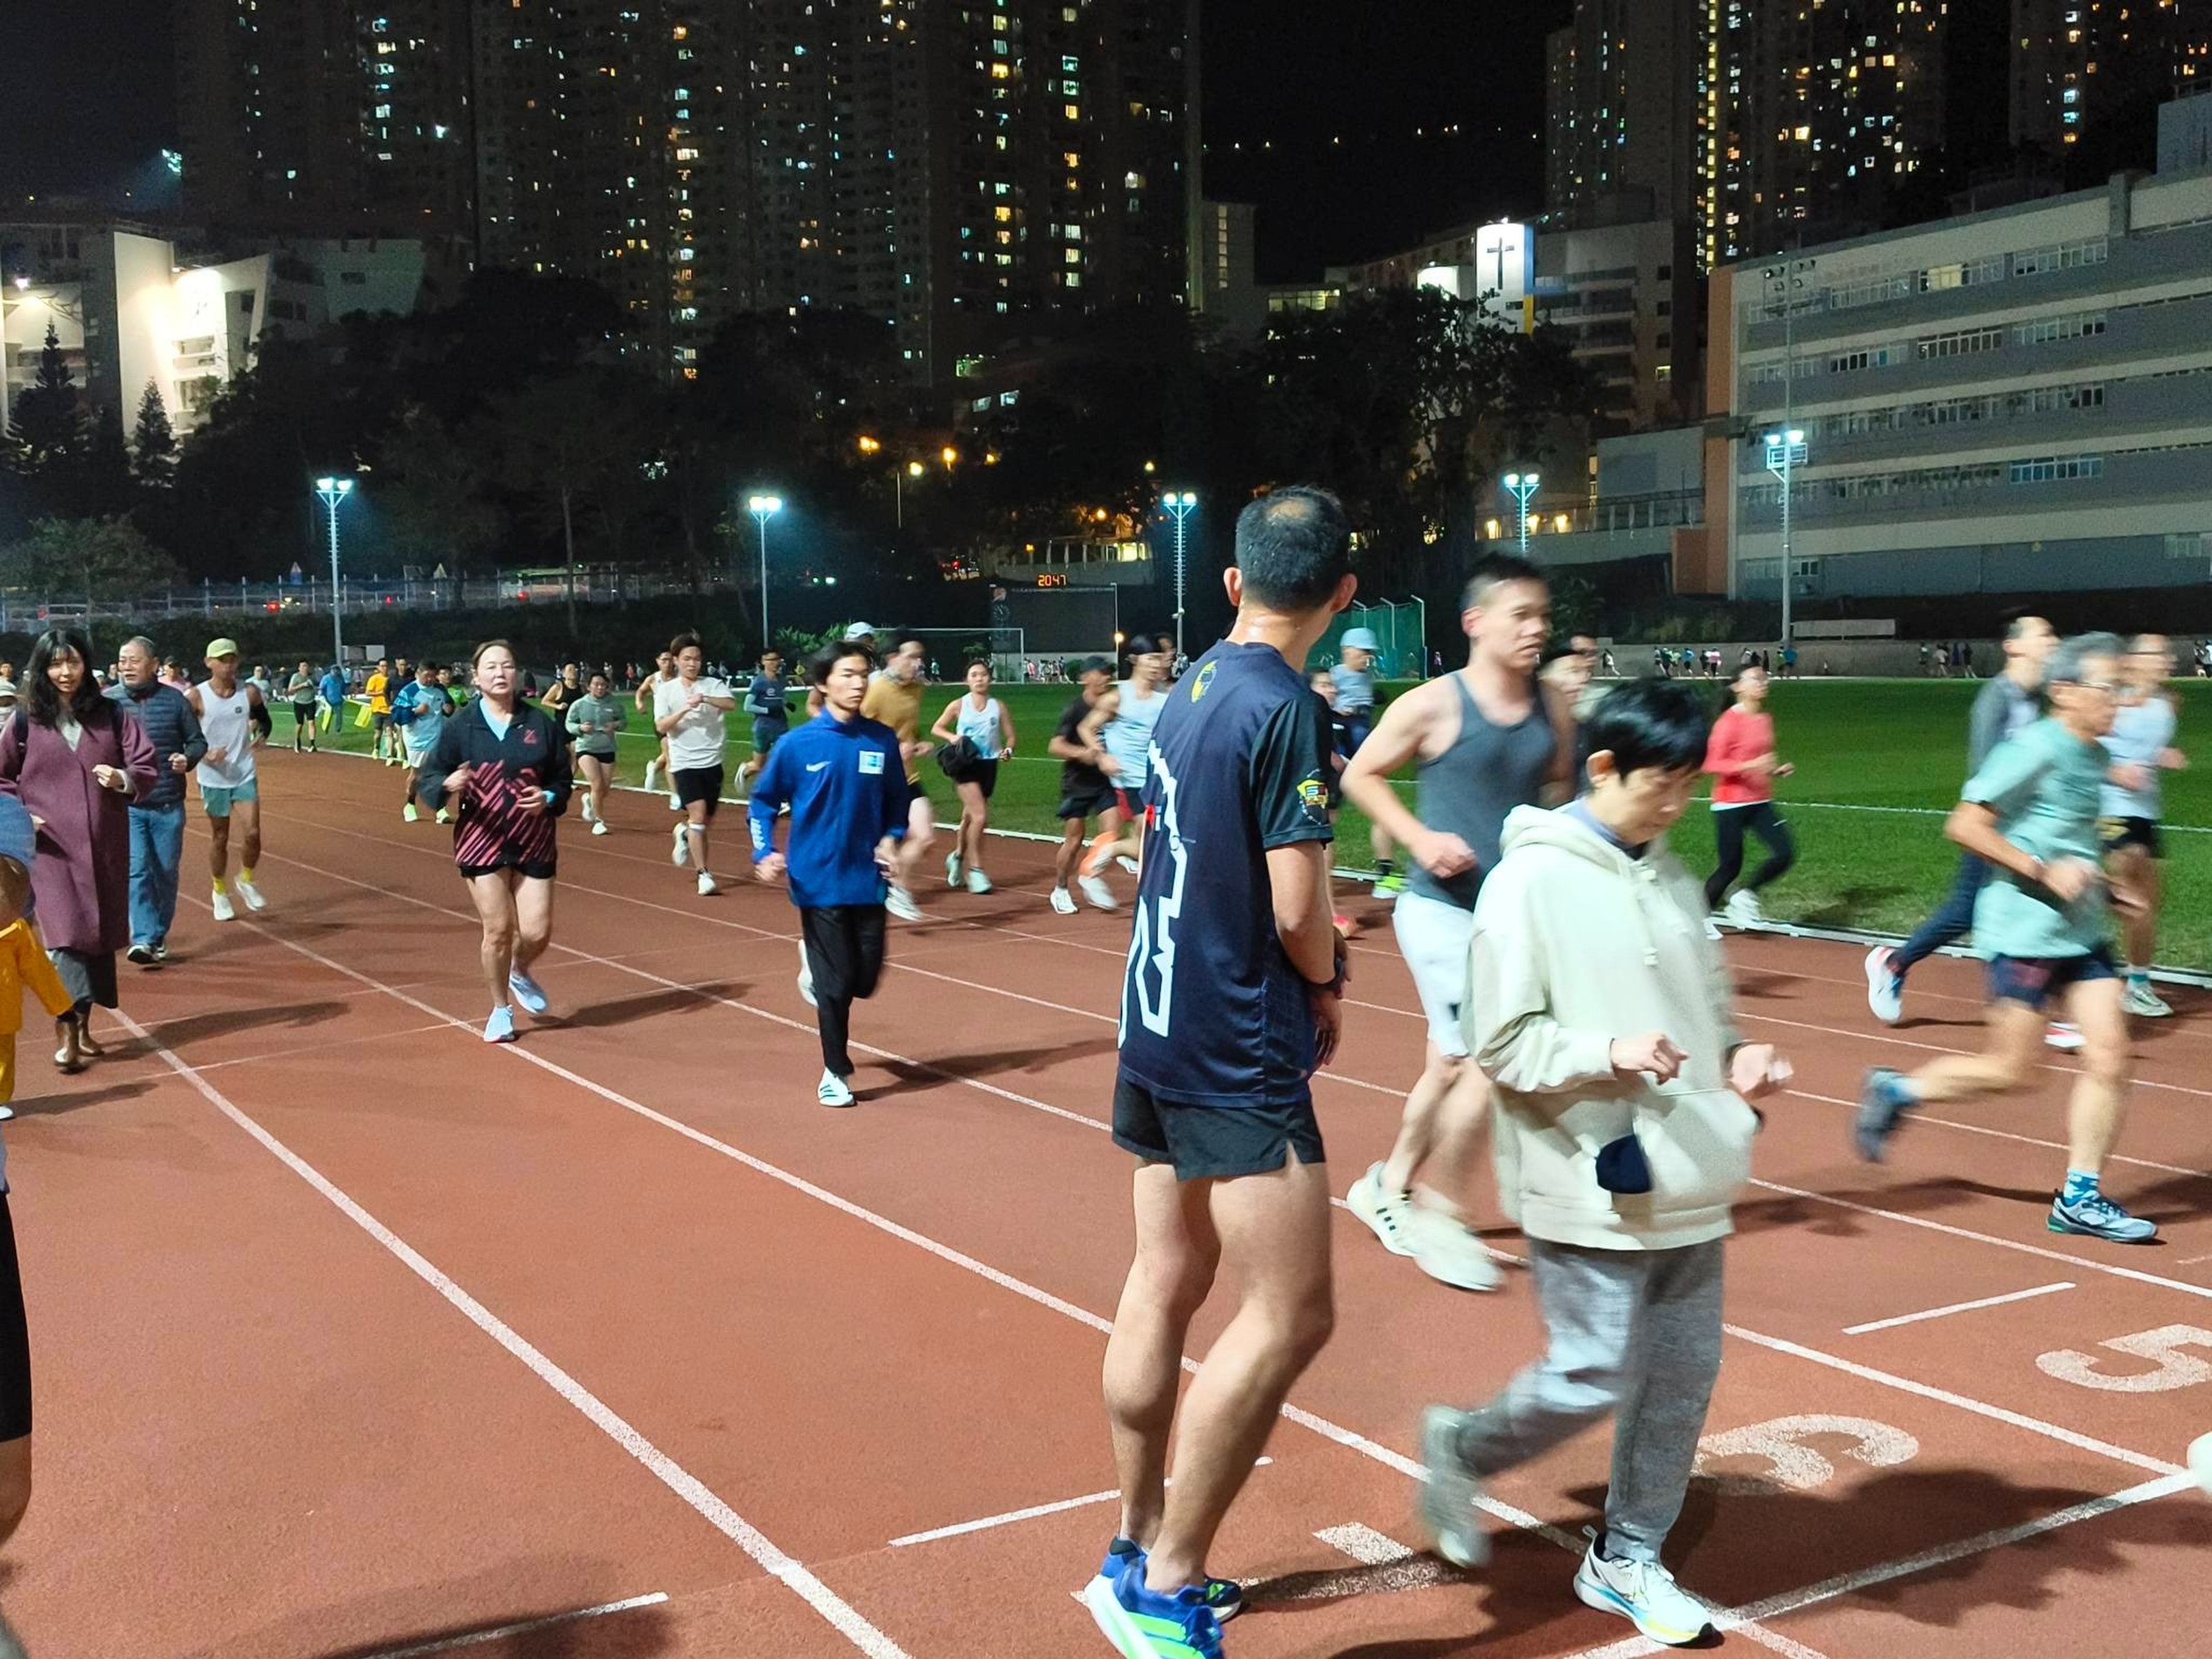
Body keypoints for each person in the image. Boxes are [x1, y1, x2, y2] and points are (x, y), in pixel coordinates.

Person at [1416, 677, 1788, 1645]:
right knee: (1591, 1368)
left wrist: (1737, 1056)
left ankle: (1626, 1554)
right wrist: (1605, 1051)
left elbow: (1708, 1001)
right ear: (1601, 768)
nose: (1676, 806)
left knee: (1680, 1375)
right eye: (1659, 786)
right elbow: (1499, 1042)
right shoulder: (1528, 880)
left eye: (1687, 787)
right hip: (1588, 1168)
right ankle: (1462, 1442)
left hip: (1692, 1166)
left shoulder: (1666, 871)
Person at [1084, 487, 1352, 1659]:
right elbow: (1298, 909)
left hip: (1153, 1018)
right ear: (1342, 598)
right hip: (1236, 1045)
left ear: (1234, 583)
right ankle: (1165, 1583)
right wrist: (1329, 973)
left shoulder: (1189, 682)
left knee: (1162, 1276)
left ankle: (1132, 1543)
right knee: (1290, 1315)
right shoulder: (1289, 710)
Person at [1858, 633, 2157, 1243]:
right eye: (2110, 688)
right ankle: (1897, 1088)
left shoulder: (2094, 755)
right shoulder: (2034, 749)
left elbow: (2068, 841)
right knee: (2016, 1072)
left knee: (2112, 1054)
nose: (2119, 701)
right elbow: (1964, 825)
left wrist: (2102, 884)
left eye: (2124, 688)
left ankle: (2079, 1197)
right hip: (2023, 930)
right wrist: (2044, 872)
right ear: (2065, 692)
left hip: (2080, 931)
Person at [1340, 554, 1575, 1291]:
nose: (1539, 629)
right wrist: (1420, 840)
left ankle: (1388, 1185)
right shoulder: (1434, 705)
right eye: (1523, 616)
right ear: (1476, 623)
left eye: (1544, 616)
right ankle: (1439, 1212)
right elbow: (1358, 775)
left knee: (1451, 1062)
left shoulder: (1555, 708)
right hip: (1440, 912)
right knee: (1483, 1057)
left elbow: (1562, 793)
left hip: (1515, 917)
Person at [1865, 615, 2058, 1027]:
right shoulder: (1996, 700)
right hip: (1990, 825)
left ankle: (1898, 964)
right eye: (2045, 635)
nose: (2053, 641)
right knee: (1994, 907)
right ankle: (2027, 1005)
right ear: (2015, 646)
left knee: (1977, 910)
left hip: (2018, 824)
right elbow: (1987, 773)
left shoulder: (2033, 699)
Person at [748, 640, 913, 1108]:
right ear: (823, 683)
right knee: (838, 987)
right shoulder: (796, 745)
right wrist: (765, 851)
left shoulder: (880, 740)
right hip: (816, 881)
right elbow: (762, 804)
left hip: (867, 878)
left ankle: (815, 971)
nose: (858, 682)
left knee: (865, 981)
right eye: (847, 674)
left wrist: (891, 838)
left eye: (863, 673)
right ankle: (835, 1072)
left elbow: (897, 805)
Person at [0, 628, 158, 1071]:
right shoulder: (27, 720)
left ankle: (85, 1026)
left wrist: (123, 779)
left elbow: (144, 763)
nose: (65, 672)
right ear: (42, 669)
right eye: (55, 664)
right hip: (50, 850)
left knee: (97, 937)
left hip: (104, 843)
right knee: (66, 937)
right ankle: (66, 1029)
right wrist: (19, 816)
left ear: (86, 665)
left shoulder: (111, 714)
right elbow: (2, 776)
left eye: (72, 662)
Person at [415, 640, 571, 1043]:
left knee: (537, 932)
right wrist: (447, 785)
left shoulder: (540, 726)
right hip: (481, 838)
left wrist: (550, 797)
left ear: (517, 674)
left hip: (533, 837)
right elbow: (430, 776)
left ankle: (519, 970)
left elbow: (561, 778)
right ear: (476, 677)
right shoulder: (461, 727)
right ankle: (501, 1008)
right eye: (491, 667)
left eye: (507, 666)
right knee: (499, 929)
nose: (500, 673)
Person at [105, 637, 207, 967]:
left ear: (154, 664)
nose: (127, 667)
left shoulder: (175, 701)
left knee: (165, 872)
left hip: (167, 803)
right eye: (123, 661)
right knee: (137, 870)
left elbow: (197, 741)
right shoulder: (109, 703)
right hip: (128, 805)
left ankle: (158, 934)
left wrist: (187, 759)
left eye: (134, 661)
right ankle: (144, 938)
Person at [2099, 635, 2185, 1019]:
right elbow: (2084, 746)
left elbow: (2150, 742)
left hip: (2146, 812)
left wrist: (2161, 754)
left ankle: (2137, 983)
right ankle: (2087, 973)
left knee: (2148, 902)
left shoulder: (2166, 704)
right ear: (2137, 660)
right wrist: (2117, 772)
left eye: (2168, 653)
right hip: (2109, 809)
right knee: (2130, 879)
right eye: (2160, 653)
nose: (2169, 659)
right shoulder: (2112, 700)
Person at [1703, 663, 1797, 931]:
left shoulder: (1764, 719)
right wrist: (1750, 766)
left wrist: (1776, 771)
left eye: (1765, 678)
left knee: (1785, 854)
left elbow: (1759, 762)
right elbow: (1711, 764)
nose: (1763, 683)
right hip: (1730, 803)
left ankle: (1745, 895)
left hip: (1759, 801)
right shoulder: (1727, 723)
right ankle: (1699, 918)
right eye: (1756, 679)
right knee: (1730, 867)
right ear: (1737, 687)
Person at [189, 638, 271, 922]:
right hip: (213, 777)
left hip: (243, 771)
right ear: (209, 662)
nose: (228, 665)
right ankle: (219, 890)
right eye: (222, 660)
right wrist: (205, 754)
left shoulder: (249, 693)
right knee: (220, 837)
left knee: (253, 833)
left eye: (232, 659)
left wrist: (263, 735)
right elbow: (186, 737)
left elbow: (265, 719)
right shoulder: (196, 697)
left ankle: (246, 879)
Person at [1087, 632, 1176, 888]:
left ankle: (1113, 849)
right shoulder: (1117, 697)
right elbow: (1086, 728)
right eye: (1151, 658)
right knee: (1155, 842)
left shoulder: (1166, 698)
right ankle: (1149, 889)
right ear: (1136, 660)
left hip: (1159, 780)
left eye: (1160, 659)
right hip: (1132, 782)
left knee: (1147, 842)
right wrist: (1102, 756)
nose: (1156, 664)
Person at [859, 633, 936, 922]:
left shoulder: (917, 689)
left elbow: (910, 729)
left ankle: (897, 889)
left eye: (921, 658)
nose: (919, 664)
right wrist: (891, 750)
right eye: (913, 657)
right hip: (876, 781)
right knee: (876, 847)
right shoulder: (875, 691)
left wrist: (920, 742)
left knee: (925, 837)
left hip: (907, 776)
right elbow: (857, 735)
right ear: (894, 658)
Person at [654, 633, 737, 895]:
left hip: (712, 761)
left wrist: (705, 699)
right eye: (687, 659)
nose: (693, 664)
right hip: (684, 763)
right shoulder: (666, 691)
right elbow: (661, 726)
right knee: (699, 816)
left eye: (697, 659)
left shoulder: (713, 685)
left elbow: (731, 704)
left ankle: (684, 832)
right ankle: (704, 874)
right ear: (676, 661)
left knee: (705, 820)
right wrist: (684, 710)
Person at [929, 660, 1015, 894]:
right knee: (980, 816)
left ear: (990, 679)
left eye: (984, 675)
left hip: (988, 765)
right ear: (967, 680)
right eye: (974, 675)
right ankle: (976, 871)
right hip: (964, 765)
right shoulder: (959, 705)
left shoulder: (999, 707)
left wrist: (1009, 751)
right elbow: (937, 727)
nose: (979, 679)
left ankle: (956, 858)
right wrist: (952, 738)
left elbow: (1010, 737)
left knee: (969, 818)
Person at [1048, 657, 1124, 915]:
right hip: (1077, 783)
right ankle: (1060, 889)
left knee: (1112, 835)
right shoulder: (1075, 709)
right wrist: (1083, 753)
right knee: (1074, 840)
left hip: (1105, 782)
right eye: (1101, 673)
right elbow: (1055, 745)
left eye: (1108, 674)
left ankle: (1090, 875)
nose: (1106, 678)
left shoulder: (1113, 706)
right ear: (1086, 678)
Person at [393, 660, 456, 825]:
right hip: (417, 738)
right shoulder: (409, 691)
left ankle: (441, 809)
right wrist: (415, 711)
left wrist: (449, 708)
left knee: (441, 774)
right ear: (417, 674)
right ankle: (410, 804)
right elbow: (397, 715)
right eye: (427, 676)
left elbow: (448, 705)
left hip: (438, 735)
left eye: (433, 676)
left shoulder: (440, 689)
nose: (430, 680)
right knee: (418, 775)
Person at [564, 669, 626, 835]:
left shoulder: (613, 703)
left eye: (603, 685)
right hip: (586, 748)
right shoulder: (580, 704)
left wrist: (615, 725)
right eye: (596, 685)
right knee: (597, 784)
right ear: (589, 686)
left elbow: (624, 721)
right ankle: (599, 822)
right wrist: (580, 728)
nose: (600, 688)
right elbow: (569, 723)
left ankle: (589, 801)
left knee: (604, 790)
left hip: (607, 748)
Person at [739, 649, 795, 788]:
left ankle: (783, 795)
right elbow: (747, 706)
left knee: (785, 760)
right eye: (771, 660)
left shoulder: (781, 679)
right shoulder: (759, 682)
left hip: (781, 725)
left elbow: (779, 697)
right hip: (763, 728)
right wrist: (767, 710)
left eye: (777, 660)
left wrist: (786, 704)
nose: (775, 663)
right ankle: (746, 770)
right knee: (759, 765)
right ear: (764, 662)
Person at [637, 649, 677, 800]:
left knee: (672, 754)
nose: (667, 664)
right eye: (664, 660)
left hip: (679, 722)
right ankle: (675, 794)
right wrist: (640, 703)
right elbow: (641, 692)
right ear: (658, 661)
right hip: (661, 722)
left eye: (670, 660)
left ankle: (654, 768)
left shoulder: (680, 677)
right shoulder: (653, 679)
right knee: (671, 756)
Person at [365, 657, 397, 763]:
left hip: (389, 710)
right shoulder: (374, 679)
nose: (385, 668)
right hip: (378, 709)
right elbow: (368, 693)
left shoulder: (391, 679)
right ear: (378, 667)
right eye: (382, 666)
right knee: (378, 734)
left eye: (386, 666)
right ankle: (376, 748)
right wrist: (380, 693)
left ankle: (389, 756)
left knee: (390, 732)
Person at [284, 660, 319, 753]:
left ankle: (313, 744)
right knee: (300, 724)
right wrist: (302, 685)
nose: (305, 668)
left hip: (311, 702)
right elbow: (290, 689)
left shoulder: (312, 676)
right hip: (299, 702)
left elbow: (317, 687)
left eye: (306, 666)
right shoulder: (296, 676)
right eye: (303, 666)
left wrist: (314, 686)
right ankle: (297, 740)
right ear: (299, 668)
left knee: (312, 722)